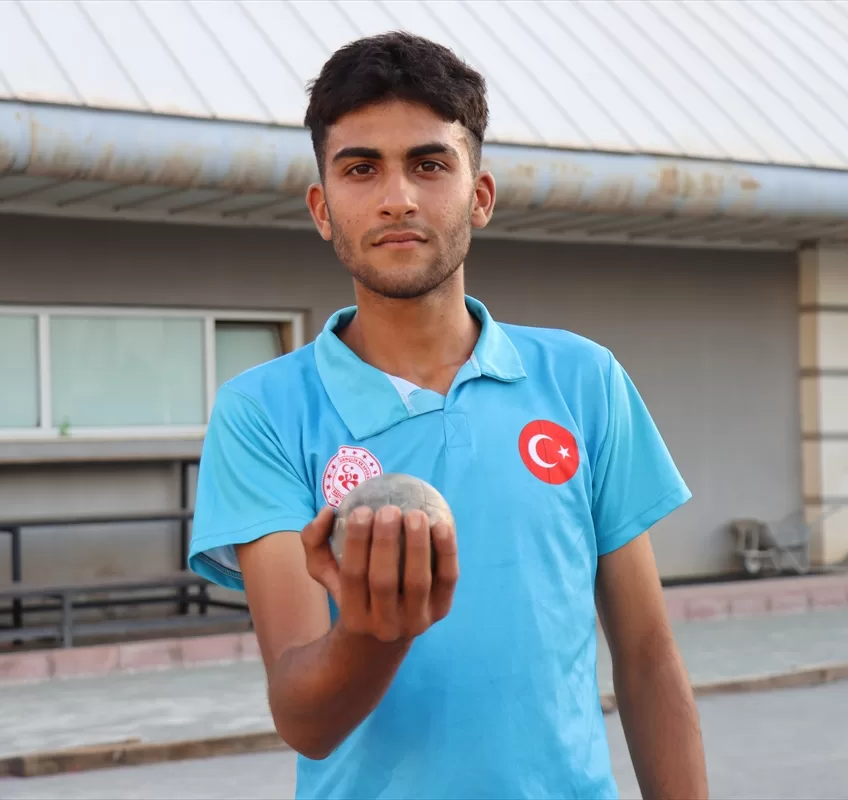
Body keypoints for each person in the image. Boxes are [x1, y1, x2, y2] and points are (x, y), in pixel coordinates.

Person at [189, 31, 707, 800]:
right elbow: (304, 719)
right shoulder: (261, 412)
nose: (397, 197)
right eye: (361, 168)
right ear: (322, 209)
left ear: (480, 196)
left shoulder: (583, 380)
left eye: (429, 164)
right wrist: (374, 631)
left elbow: (648, 657)